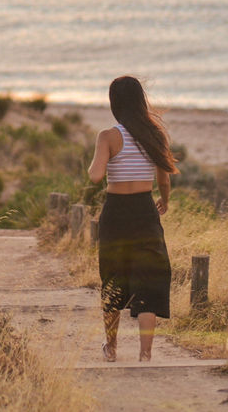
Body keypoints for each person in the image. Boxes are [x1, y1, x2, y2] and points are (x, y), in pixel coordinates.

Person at [88, 75, 177, 363]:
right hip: (144, 210)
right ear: (141, 101)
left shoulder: (108, 136)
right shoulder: (154, 135)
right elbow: (164, 179)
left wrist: (100, 154)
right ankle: (145, 354)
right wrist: (164, 200)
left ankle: (111, 349)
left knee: (112, 277)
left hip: (115, 212)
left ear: (115, 103)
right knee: (149, 278)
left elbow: (95, 175)